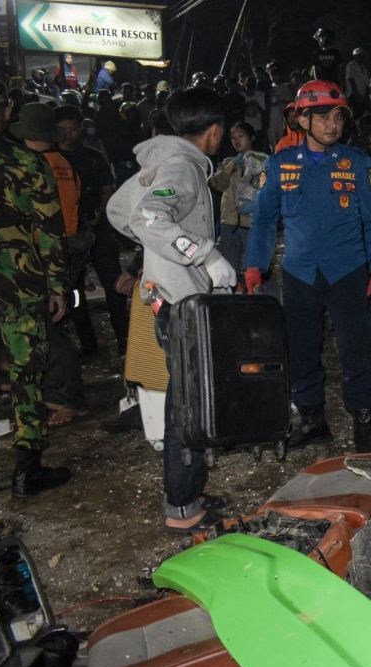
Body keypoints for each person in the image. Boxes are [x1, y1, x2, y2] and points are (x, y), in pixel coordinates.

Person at [107, 87, 237, 532]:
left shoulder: (161, 160)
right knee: (190, 403)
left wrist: (158, 253)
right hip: (182, 302)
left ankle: (185, 494)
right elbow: (148, 218)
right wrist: (203, 254)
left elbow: (119, 210)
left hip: (166, 294)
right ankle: (183, 506)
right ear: (214, 130)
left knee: (183, 397)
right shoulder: (182, 166)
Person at [245, 80, 371, 452]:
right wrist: (254, 265)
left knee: (355, 347)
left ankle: (363, 416)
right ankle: (312, 418)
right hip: (299, 273)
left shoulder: (357, 163)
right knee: (302, 347)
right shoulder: (279, 165)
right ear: (302, 119)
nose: (332, 124)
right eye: (322, 116)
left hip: (348, 271)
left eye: (338, 116)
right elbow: (262, 221)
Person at [0, 77, 73, 503]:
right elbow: (49, 229)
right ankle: (26, 469)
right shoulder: (26, 161)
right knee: (26, 375)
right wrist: (57, 286)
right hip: (20, 284)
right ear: (6, 112)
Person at [12, 103, 90, 427]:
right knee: (54, 324)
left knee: (47, 328)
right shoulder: (64, 164)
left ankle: (65, 398)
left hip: (46, 254)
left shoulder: (31, 166)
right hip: (69, 246)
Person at [54, 105, 128, 357]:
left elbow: (108, 187)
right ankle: (87, 343)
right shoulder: (51, 160)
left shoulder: (94, 157)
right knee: (74, 292)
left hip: (98, 231)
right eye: (63, 130)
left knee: (114, 285)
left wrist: (100, 212)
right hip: (69, 236)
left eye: (73, 130)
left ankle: (124, 340)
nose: (68, 135)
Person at [210, 122, 268, 280]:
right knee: (229, 271)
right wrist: (230, 167)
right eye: (233, 137)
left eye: (241, 136)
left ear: (252, 138)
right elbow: (216, 184)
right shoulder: (228, 162)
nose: (236, 141)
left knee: (250, 271)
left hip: (251, 224)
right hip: (229, 223)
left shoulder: (262, 161)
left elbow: (267, 189)